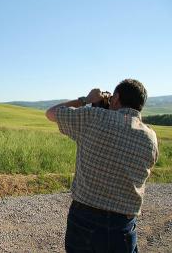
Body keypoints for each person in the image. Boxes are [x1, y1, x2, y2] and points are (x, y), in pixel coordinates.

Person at [45, 79, 158, 253]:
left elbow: (51, 113)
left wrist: (86, 100)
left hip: (84, 219)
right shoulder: (150, 138)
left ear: (116, 97)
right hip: (123, 225)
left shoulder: (94, 117)